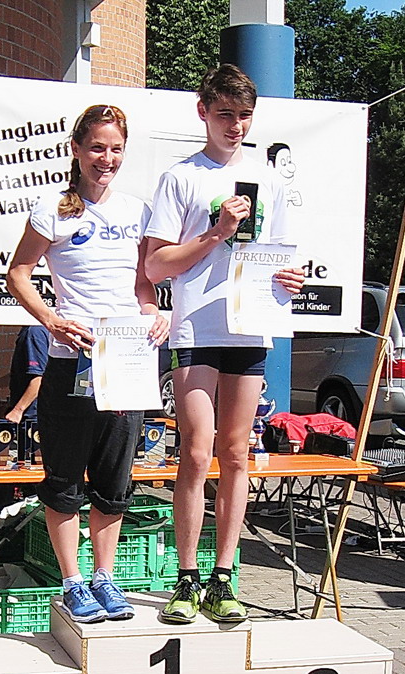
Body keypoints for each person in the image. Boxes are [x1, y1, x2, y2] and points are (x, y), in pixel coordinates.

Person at [145, 64, 305, 624]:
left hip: (249, 327)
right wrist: (216, 232)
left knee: (236, 453)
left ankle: (223, 576)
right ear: (203, 113)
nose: (234, 125)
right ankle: (186, 578)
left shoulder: (269, 180)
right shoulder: (180, 177)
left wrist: (290, 279)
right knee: (195, 452)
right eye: (224, 114)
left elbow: (279, 257)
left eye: (244, 116)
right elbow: (156, 265)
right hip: (196, 328)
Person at [7, 104, 168, 624]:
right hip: (71, 362)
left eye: (116, 149)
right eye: (97, 147)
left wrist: (154, 313)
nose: (107, 158)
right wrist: (52, 321)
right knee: (64, 481)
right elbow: (18, 273)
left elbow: (143, 283)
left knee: (114, 481)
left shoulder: (138, 211)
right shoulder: (53, 208)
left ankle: (105, 578)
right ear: (76, 150)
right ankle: (73, 581)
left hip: (126, 362)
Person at [0, 325, 50, 423]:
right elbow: (23, 375)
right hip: (34, 414)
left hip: (33, 416)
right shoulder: (34, 331)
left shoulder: (34, 333)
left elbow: (38, 379)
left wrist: (18, 410)